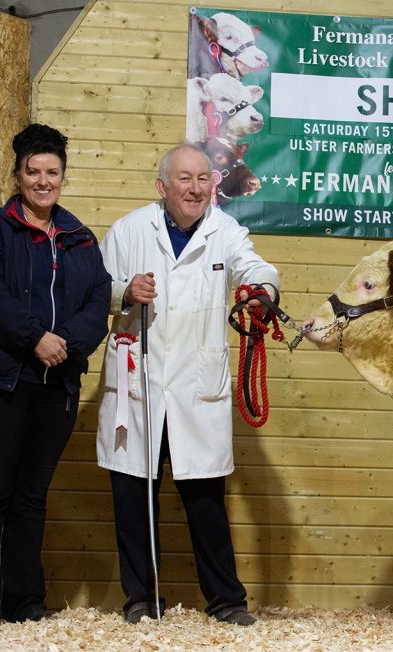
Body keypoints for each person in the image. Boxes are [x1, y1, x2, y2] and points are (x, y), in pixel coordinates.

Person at [96, 142, 279, 625]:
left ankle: (226, 602)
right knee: (134, 495)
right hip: (138, 384)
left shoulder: (226, 231)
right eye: (185, 178)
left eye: (204, 178)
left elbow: (255, 267)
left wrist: (262, 290)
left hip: (196, 388)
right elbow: (92, 292)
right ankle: (141, 599)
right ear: (163, 186)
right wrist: (122, 292)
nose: (196, 188)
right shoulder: (129, 230)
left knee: (205, 500)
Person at [0, 123, 111, 628]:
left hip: (54, 386)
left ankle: (24, 603)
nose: (43, 181)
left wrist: (66, 345)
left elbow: (97, 300)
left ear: (63, 177)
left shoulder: (79, 238)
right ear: (18, 174)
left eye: (52, 173)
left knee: (30, 497)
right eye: (33, 172)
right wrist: (34, 337)